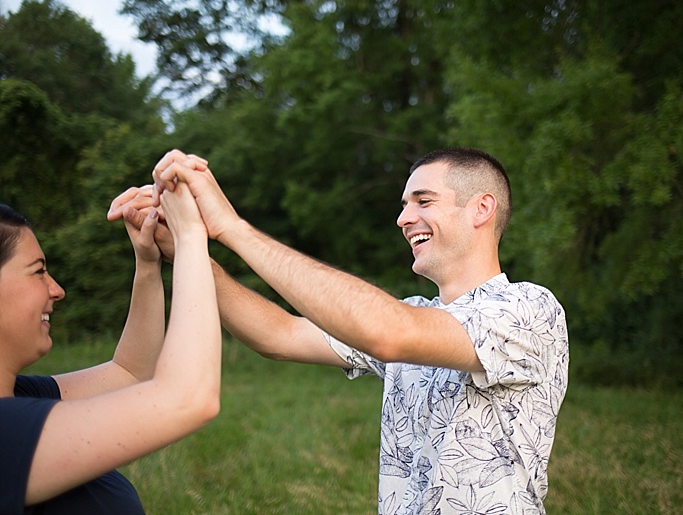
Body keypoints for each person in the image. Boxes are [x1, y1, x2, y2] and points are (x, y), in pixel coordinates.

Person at [110, 146, 569, 514]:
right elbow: (281, 335)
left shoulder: (528, 309)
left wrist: (231, 228)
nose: (403, 218)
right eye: (403, 205)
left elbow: (387, 331)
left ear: (482, 208)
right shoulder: (416, 312)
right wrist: (187, 249)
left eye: (423, 201)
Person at [0, 182, 220, 514]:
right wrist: (190, 236)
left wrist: (147, 263)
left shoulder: (21, 398)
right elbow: (188, 399)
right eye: (39, 272)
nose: (56, 289)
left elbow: (130, 372)